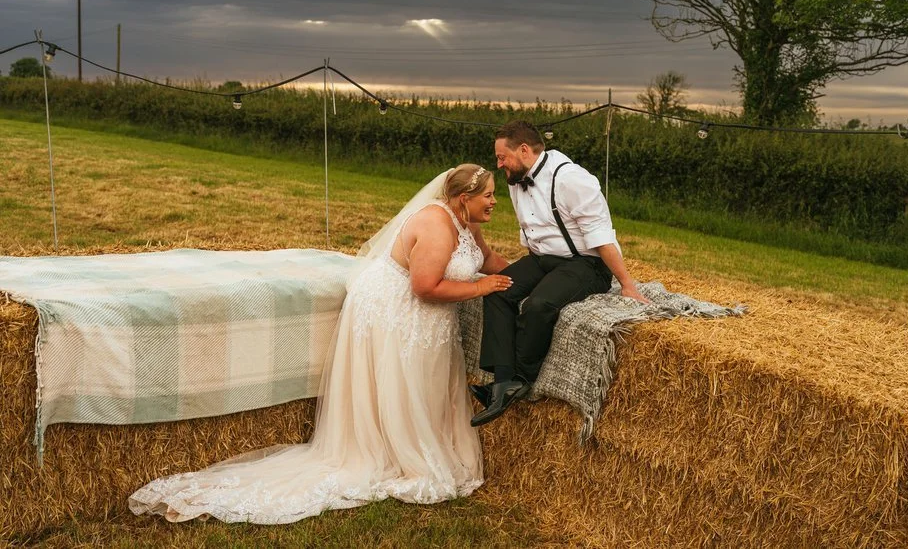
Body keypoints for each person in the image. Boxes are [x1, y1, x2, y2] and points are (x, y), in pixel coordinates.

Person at [129, 164, 511, 524]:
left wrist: (528, 272)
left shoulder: (466, 223)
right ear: (464, 197)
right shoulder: (436, 225)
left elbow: (488, 258)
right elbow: (424, 287)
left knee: (428, 383)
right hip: (397, 310)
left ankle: (424, 444)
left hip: (430, 316)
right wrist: (480, 287)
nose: (495, 201)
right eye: (489, 196)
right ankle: (403, 454)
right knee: (405, 381)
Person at [470, 121, 649, 427]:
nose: (498, 164)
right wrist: (520, 269)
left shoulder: (571, 180)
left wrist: (627, 284)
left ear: (524, 150)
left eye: (503, 157)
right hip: (541, 259)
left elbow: (600, 235)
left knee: (539, 305)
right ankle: (501, 383)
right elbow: (532, 231)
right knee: (497, 291)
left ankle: (521, 380)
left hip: (585, 264)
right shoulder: (517, 179)